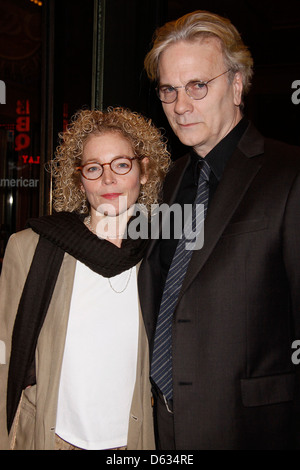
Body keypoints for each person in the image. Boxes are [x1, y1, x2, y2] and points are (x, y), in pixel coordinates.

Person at [138, 10, 300, 449]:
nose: (181, 105)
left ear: (237, 84)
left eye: (197, 86)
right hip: (165, 425)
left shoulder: (289, 173)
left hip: (252, 428)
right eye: (169, 90)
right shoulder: (171, 180)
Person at [0, 107, 171, 450]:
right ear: (79, 180)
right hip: (53, 438)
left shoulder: (164, 255)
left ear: (145, 170)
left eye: (121, 164)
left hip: (134, 442)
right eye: (94, 168)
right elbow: (5, 359)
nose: (108, 179)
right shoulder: (30, 248)